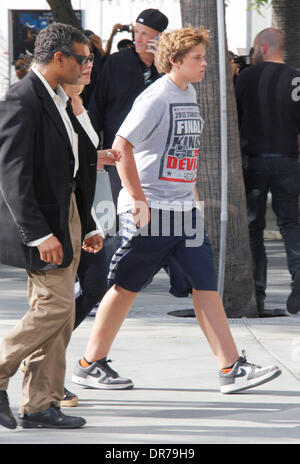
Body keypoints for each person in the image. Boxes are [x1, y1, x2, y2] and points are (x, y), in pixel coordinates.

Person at [72, 26, 281, 395]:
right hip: (152, 209)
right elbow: (121, 147)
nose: (205, 64)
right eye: (198, 58)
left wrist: (193, 196)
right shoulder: (155, 98)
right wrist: (137, 201)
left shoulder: (189, 92)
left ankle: (231, 367)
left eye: (204, 57)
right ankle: (90, 364)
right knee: (124, 287)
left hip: (183, 209)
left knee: (205, 285)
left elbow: (183, 152)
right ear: (175, 60)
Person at [0, 23, 103, 430]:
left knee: (59, 315)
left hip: (69, 216)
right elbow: (12, 175)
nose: (87, 66)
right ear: (59, 58)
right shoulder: (22, 98)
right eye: (82, 58)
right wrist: (40, 234)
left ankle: (40, 404)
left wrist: (88, 222)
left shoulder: (61, 97)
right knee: (56, 306)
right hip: (44, 224)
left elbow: (79, 164)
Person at [72, 9, 172, 339]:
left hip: (156, 160)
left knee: (156, 220)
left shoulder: (166, 68)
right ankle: (107, 285)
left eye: (146, 33)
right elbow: (97, 105)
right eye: (136, 32)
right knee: (114, 219)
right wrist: (96, 152)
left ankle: (166, 278)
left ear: (159, 35)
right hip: (117, 156)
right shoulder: (116, 64)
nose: (140, 39)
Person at [235, 27, 300, 316]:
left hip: (254, 160)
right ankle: (298, 276)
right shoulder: (296, 78)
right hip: (289, 159)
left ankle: (257, 292)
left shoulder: (247, 77)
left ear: (262, 47)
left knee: (253, 228)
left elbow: (234, 118)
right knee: (291, 224)